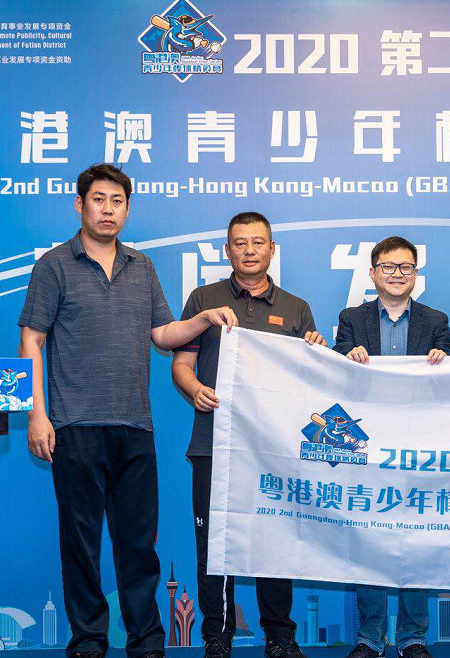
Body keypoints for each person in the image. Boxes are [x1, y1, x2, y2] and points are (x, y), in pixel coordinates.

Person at [18, 163, 237, 658]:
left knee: (138, 543)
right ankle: (89, 640)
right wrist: (37, 414)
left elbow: (163, 334)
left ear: (127, 210)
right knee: (81, 543)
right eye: (98, 200)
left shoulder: (142, 266)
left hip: (135, 426)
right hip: (74, 425)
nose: (108, 210)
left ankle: (146, 640)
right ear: (80, 205)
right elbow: (32, 340)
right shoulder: (54, 265)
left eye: (117, 202)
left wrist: (202, 318)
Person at [172, 211, 326, 658]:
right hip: (213, 442)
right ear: (227, 250)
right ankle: (217, 636)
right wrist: (195, 389)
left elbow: (309, 383)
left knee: (275, 539)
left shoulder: (295, 308)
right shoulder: (205, 299)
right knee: (214, 543)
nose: (249, 250)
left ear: (272, 249)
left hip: (274, 447)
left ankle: (279, 636)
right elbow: (181, 364)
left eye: (258, 242)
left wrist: (316, 354)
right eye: (240, 243)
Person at [333, 236, 450, 658]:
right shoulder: (352, 318)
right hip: (368, 445)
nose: (397, 274)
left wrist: (442, 359)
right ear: (373, 273)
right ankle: (370, 637)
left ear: (416, 273)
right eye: (388, 266)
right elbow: (335, 370)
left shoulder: (435, 320)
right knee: (370, 538)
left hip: (419, 444)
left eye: (406, 267)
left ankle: (412, 637)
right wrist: (347, 356)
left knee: (416, 538)